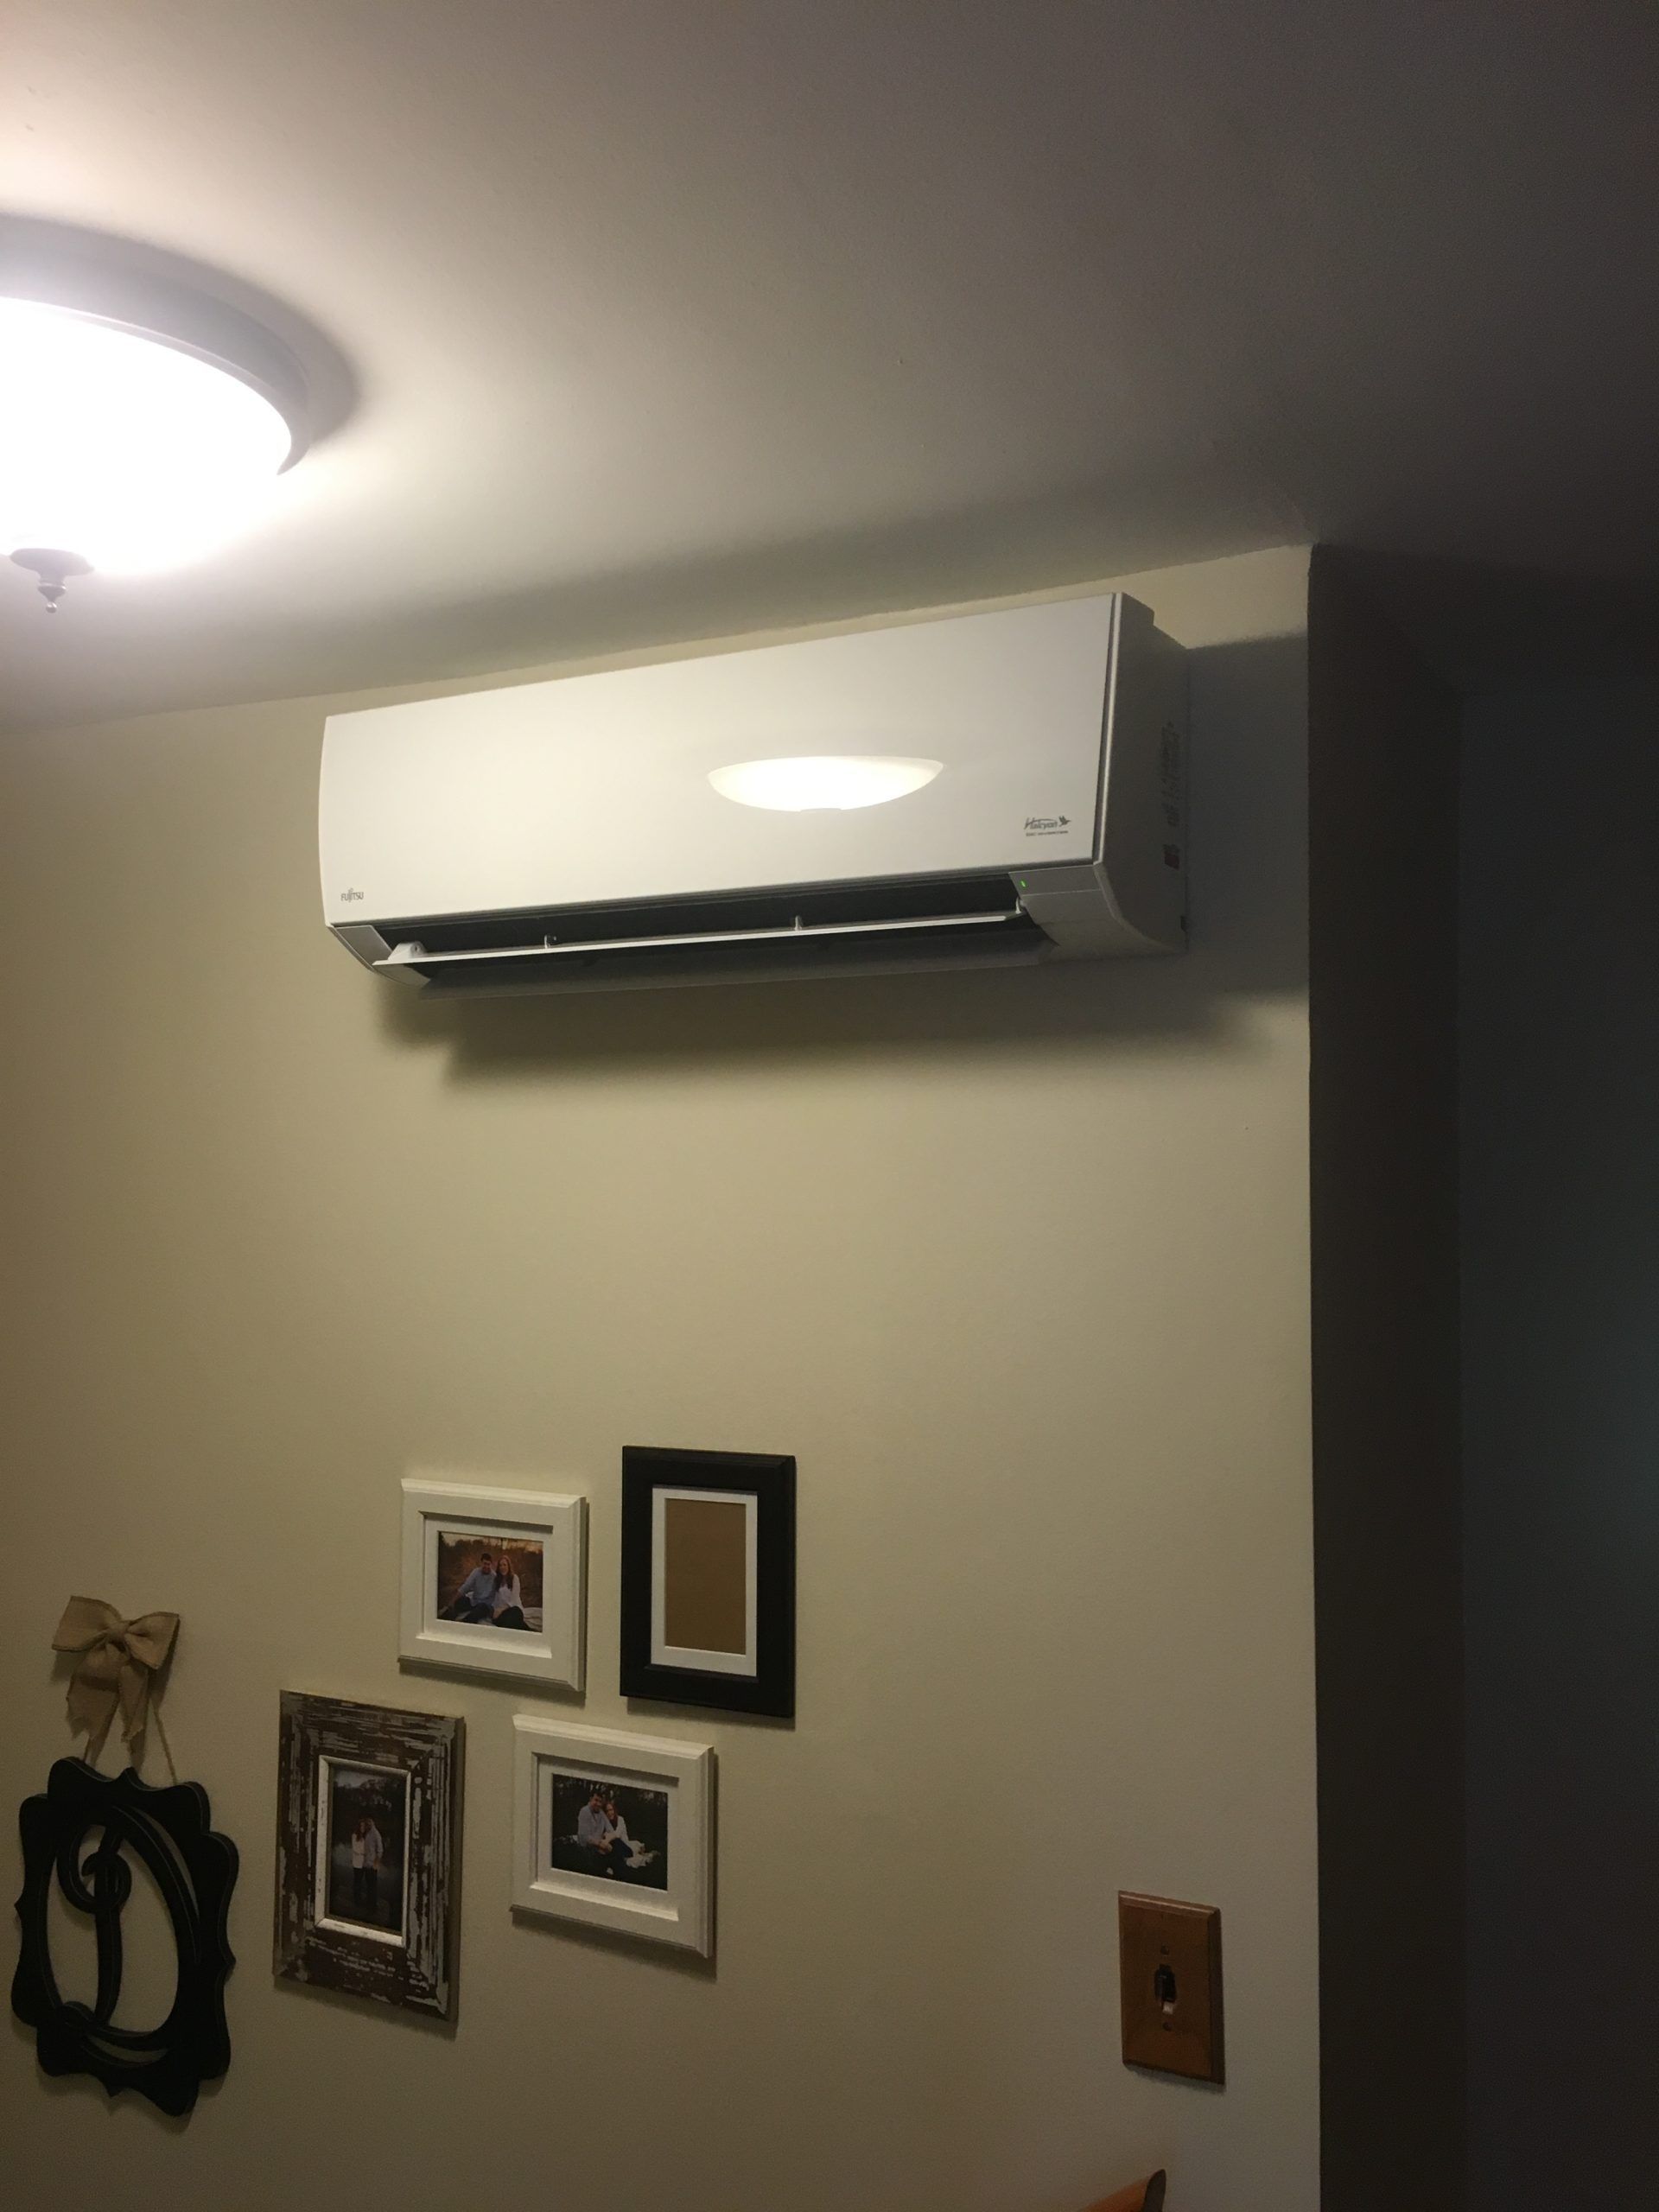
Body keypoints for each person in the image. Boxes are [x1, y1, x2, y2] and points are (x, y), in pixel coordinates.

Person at [440, 1552, 499, 1623]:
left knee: (479, 1610)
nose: (486, 1566)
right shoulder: (476, 1572)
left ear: (491, 1564)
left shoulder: (494, 1577)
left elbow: (499, 1593)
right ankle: (444, 1619)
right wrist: (453, 1601)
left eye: (488, 1564)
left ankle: (464, 1623)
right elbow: (465, 1587)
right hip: (474, 1601)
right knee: (460, 1602)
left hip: (486, 1605)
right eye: (485, 1564)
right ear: (481, 1563)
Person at [490, 1551, 527, 1631]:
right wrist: (495, 1610)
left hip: (513, 1609)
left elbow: (514, 1600)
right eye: (500, 1565)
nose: (502, 1567)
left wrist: (501, 1610)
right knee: (500, 1620)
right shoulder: (497, 1581)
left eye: (504, 1565)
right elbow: (495, 1599)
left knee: (515, 1612)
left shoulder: (514, 1578)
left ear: (509, 1566)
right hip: (502, 1613)